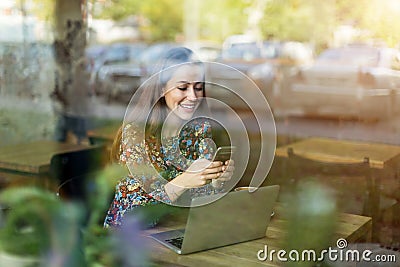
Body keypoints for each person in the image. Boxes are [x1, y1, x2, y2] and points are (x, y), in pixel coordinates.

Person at [104, 47, 234, 227]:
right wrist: (184, 181)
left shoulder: (198, 131)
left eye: (198, 88)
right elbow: (133, 217)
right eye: (182, 87)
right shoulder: (136, 136)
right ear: (161, 88)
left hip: (175, 231)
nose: (193, 96)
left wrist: (216, 182)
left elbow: (198, 202)